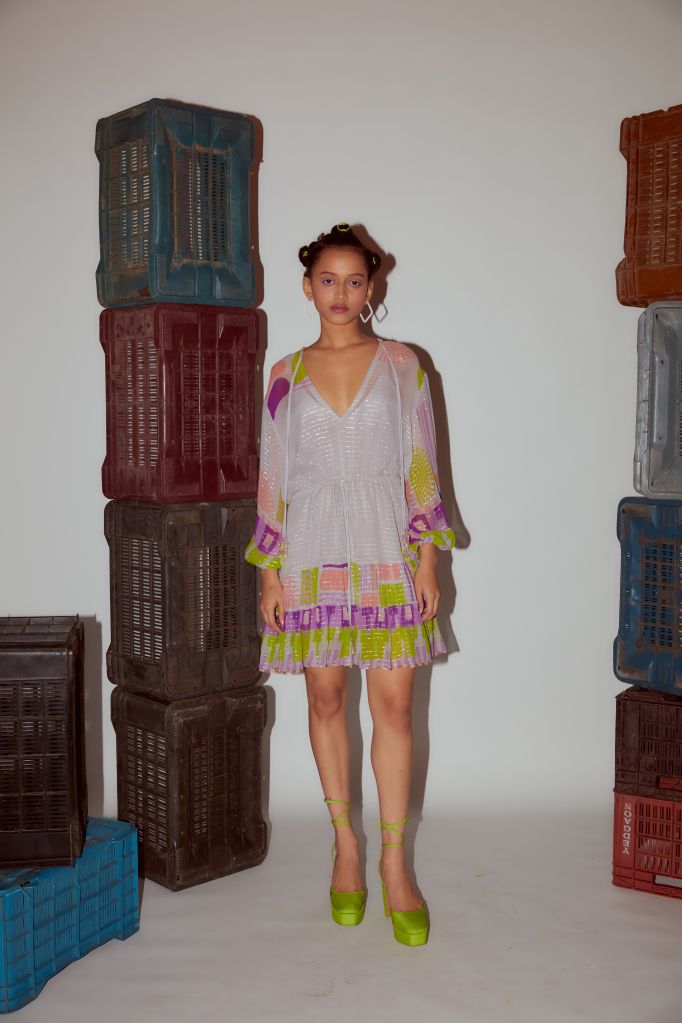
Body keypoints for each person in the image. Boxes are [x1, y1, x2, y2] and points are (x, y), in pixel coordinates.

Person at [244, 222, 455, 947]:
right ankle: (346, 847)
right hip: (309, 556)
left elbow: (421, 465)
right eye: (327, 280)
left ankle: (395, 861)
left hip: (385, 551)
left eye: (354, 280)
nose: (340, 293)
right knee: (326, 697)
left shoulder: (401, 365)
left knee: (394, 706)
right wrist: (269, 572)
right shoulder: (284, 374)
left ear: (372, 288)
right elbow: (271, 475)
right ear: (307, 287)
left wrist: (427, 560)